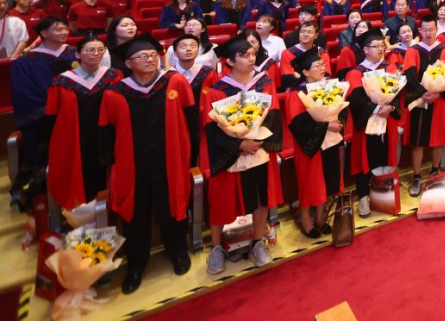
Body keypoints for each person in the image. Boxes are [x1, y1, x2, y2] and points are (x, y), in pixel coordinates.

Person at [97, 35, 197, 293]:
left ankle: (178, 252)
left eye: (153, 55)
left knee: (172, 207)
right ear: (128, 63)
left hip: (170, 159)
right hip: (132, 164)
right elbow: (106, 131)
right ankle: (136, 265)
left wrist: (192, 154)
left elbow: (191, 117)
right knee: (135, 214)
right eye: (142, 56)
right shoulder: (115, 93)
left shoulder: (174, 81)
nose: (150, 60)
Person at [202, 34, 282, 275]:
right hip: (229, 155)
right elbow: (211, 128)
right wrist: (238, 145)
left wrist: (257, 141)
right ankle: (216, 247)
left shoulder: (264, 82)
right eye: (244, 55)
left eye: (253, 54)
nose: (251, 58)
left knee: (260, 197)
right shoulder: (217, 91)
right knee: (221, 200)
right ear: (230, 61)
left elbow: (273, 114)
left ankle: (257, 242)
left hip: (258, 149)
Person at [43, 35, 121, 212]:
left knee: (106, 172)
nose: (96, 53)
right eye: (90, 50)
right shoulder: (61, 82)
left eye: (100, 50)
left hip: (108, 134)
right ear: (78, 54)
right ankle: (84, 213)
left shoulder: (113, 76)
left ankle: (108, 210)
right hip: (75, 137)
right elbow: (51, 116)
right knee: (83, 175)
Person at [285, 47, 344, 238]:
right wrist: (326, 126)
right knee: (310, 183)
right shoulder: (297, 94)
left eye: (322, 64)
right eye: (317, 66)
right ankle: (306, 220)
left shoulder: (328, 86)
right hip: (309, 145)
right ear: (305, 71)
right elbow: (297, 123)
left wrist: (337, 121)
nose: (322, 68)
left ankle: (320, 217)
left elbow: (340, 108)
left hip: (330, 141)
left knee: (326, 181)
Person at [345, 29, 401, 219]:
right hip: (367, 123)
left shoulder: (390, 68)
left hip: (386, 121)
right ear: (365, 50)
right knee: (365, 160)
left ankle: (385, 195)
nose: (380, 49)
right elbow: (356, 99)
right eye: (375, 46)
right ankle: (363, 197)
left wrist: (391, 107)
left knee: (386, 156)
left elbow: (398, 93)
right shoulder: (355, 73)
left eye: (382, 45)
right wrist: (377, 108)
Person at [401, 16, 445, 196]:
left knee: (439, 138)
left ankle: (434, 171)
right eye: (424, 29)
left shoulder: (444, 49)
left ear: (436, 30)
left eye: (431, 29)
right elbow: (409, 75)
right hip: (420, 102)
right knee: (418, 142)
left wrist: (438, 93)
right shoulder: (413, 50)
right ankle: (417, 176)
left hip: (439, 101)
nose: (428, 33)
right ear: (420, 31)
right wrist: (422, 92)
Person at [12, 17, 77, 169]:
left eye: (65, 28)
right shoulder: (26, 62)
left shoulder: (75, 53)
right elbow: (24, 95)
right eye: (58, 29)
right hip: (45, 119)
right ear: (44, 33)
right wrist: (54, 109)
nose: (64, 32)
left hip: (79, 113)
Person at [279, 21, 331, 92]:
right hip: (296, 91)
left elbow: (326, 76)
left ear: (316, 35)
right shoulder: (287, 53)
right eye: (303, 31)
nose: (305, 34)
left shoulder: (322, 53)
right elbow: (287, 79)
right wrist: (313, 77)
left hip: (319, 89)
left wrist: (299, 76)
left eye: (310, 32)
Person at [168, 33, 219, 97]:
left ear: (197, 52)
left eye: (192, 46)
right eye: (183, 46)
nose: (188, 49)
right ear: (175, 53)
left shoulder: (209, 72)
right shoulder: (168, 75)